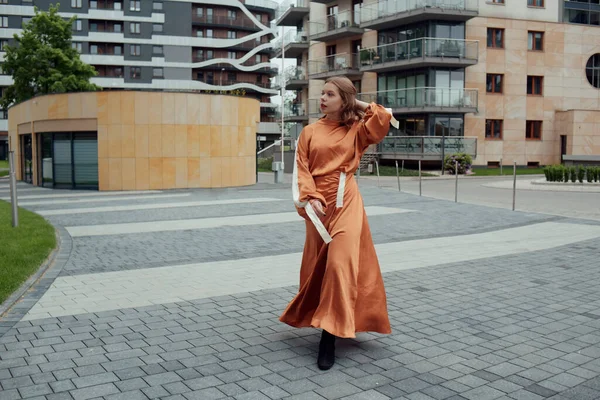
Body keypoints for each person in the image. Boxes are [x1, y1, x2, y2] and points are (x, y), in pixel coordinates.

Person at [279, 76, 399, 370]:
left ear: (343, 100)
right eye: (322, 93)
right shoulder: (309, 132)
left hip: (347, 202)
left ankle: (328, 337)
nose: (322, 98)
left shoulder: (356, 130)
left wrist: (354, 103)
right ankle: (329, 318)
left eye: (330, 94)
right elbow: (302, 169)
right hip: (318, 207)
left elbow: (383, 118)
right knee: (321, 266)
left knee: (339, 264)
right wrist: (311, 197)